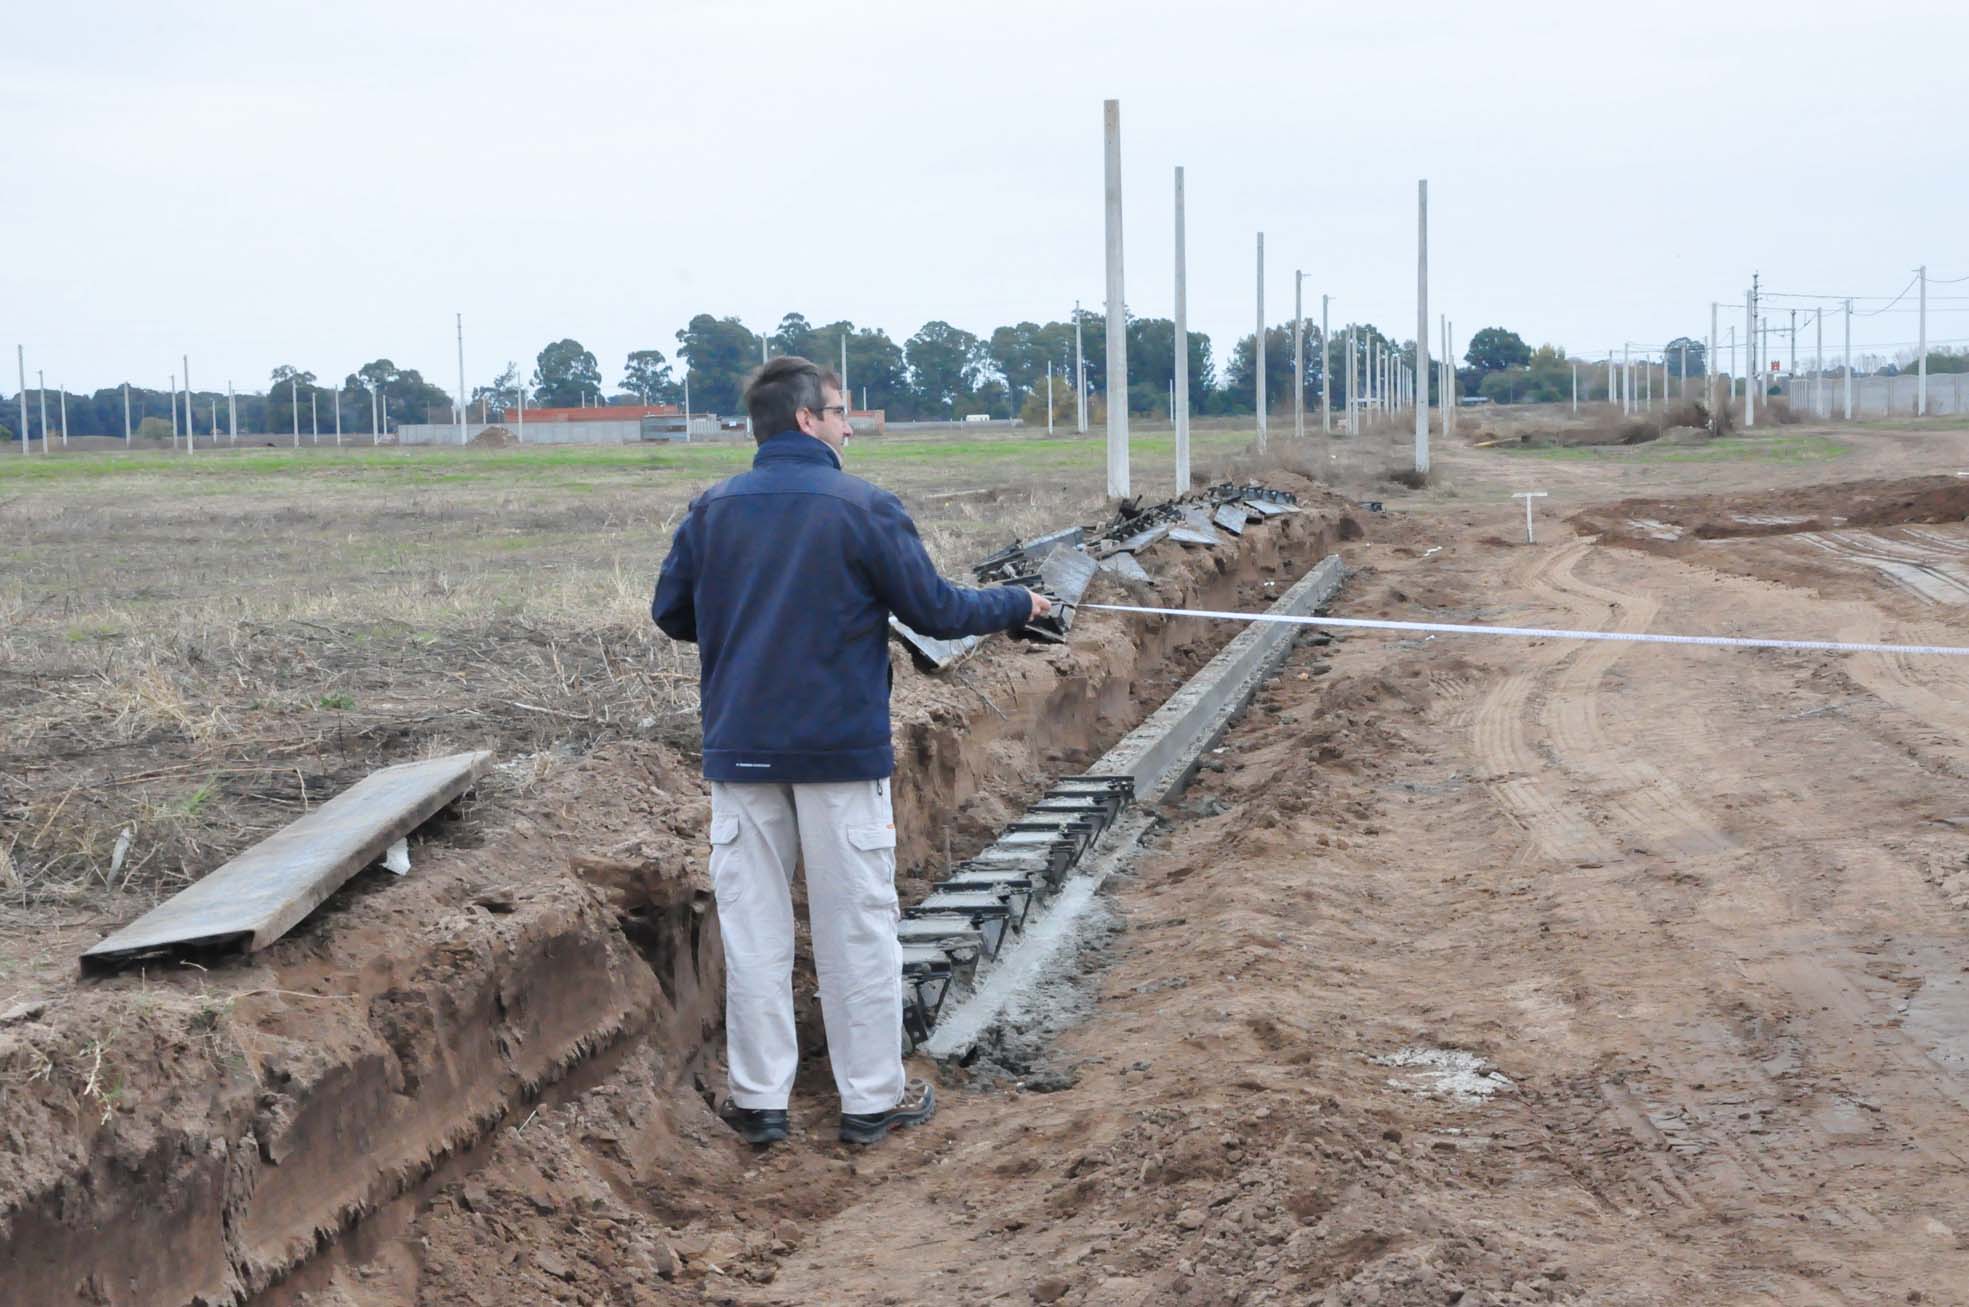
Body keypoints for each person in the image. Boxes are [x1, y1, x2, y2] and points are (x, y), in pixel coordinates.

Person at [651, 357, 1050, 1146]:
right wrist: (1018, 603)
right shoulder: (863, 508)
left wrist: (746, 625)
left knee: (755, 930)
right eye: (839, 413)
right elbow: (934, 611)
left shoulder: (712, 510)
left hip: (743, 756)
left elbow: (672, 613)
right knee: (856, 927)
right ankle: (870, 1100)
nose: (846, 426)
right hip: (838, 755)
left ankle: (759, 1100)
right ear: (805, 419)